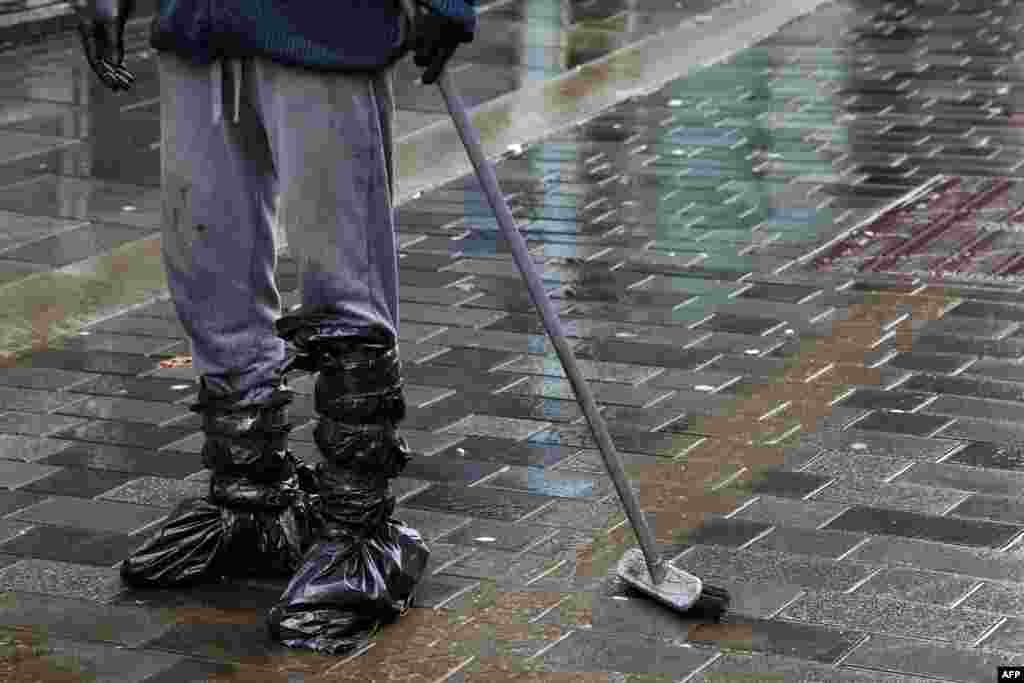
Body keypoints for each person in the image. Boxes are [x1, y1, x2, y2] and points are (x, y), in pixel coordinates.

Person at [70, 0, 476, 654]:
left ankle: (355, 530)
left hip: (322, 23)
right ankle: (251, 499)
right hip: (199, 29)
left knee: (344, 280)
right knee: (207, 270)